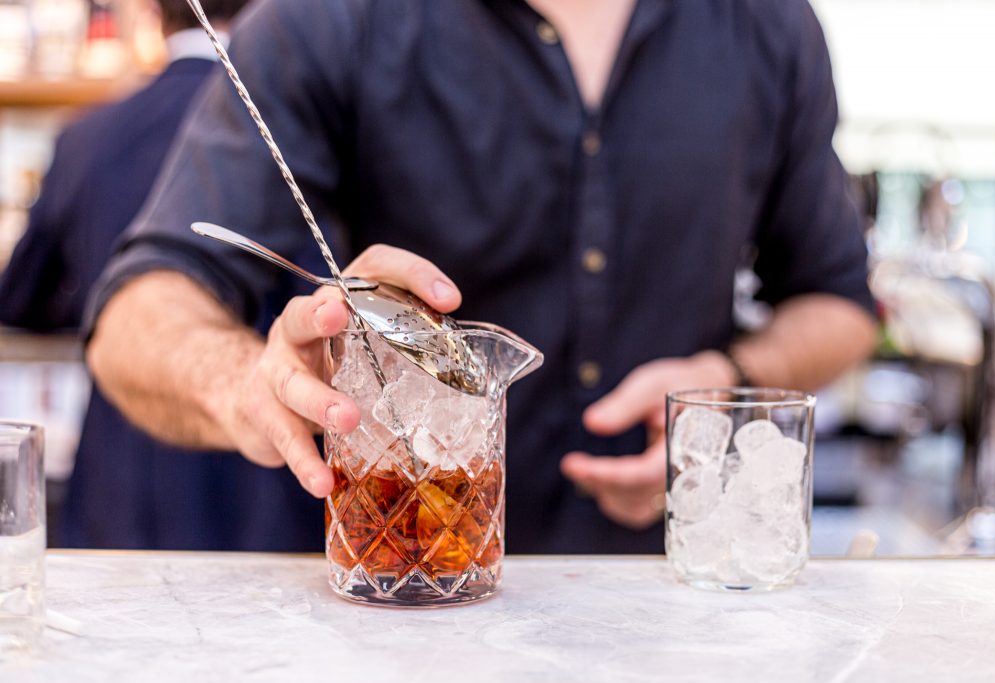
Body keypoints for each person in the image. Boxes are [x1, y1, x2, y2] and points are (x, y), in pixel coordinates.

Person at [85, 0, 877, 554]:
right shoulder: (327, 20)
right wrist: (244, 385)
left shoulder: (770, 24)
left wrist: (727, 381)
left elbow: (839, 301)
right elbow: (136, 313)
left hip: (662, 600)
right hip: (396, 605)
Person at [0, 0, 324, 551]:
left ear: (151, 14)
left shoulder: (87, 135)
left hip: (120, 490)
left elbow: (20, 299)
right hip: (273, 498)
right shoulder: (304, 130)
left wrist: (91, 298)